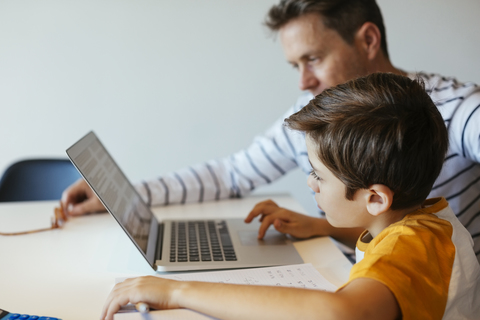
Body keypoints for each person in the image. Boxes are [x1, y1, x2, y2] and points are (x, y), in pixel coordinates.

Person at [61, 0, 480, 262]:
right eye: (294, 66)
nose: (303, 82)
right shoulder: (311, 115)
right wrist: (122, 195)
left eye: (312, 59)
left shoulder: (452, 108)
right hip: (344, 271)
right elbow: (230, 174)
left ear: (368, 40)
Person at [100, 73, 480, 320]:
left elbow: (340, 313)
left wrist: (176, 290)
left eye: (318, 175)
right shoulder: (419, 223)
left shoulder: (415, 244)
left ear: (376, 198)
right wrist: (316, 226)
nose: (311, 184)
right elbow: (386, 245)